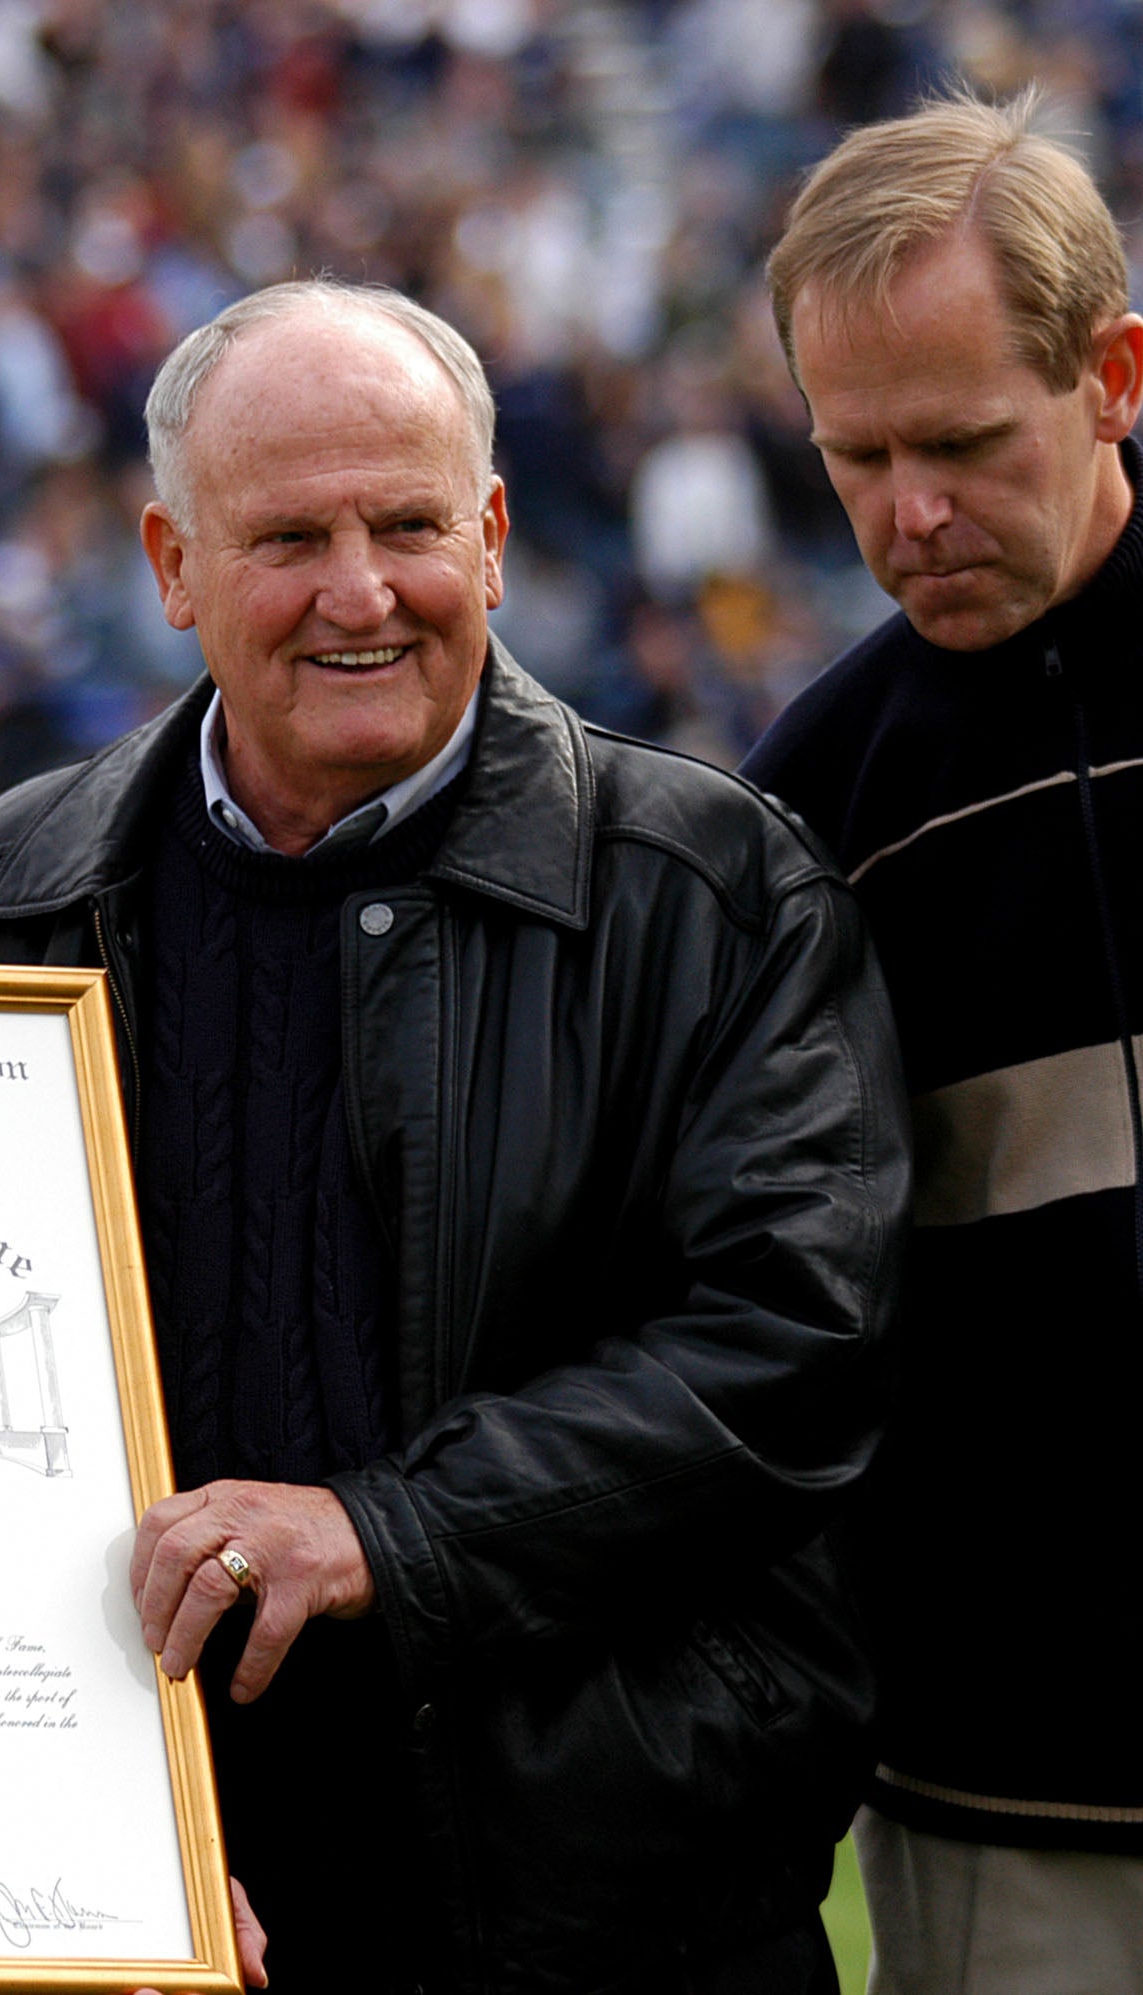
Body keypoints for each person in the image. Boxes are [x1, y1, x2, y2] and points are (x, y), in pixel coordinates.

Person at [0, 277, 906, 1993]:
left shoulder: (714, 891)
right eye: (287, 537)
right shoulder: (3, 905)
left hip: (620, 1925)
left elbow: (788, 1353)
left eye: (410, 524)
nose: (360, 593)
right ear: (170, 567)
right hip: (159, 1922)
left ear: (496, 534)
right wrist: (84, 1833)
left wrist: (386, 1532)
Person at [745, 91, 1143, 1995]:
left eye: (969, 444)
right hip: (1013, 1799)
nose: (912, 513)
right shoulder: (807, 809)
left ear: (1115, 375)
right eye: (858, 457)